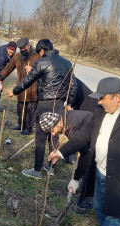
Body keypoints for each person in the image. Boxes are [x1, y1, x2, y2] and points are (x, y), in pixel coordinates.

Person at [48, 77, 120, 226]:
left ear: (117, 97)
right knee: (100, 207)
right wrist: (62, 151)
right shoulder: (101, 109)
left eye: (103, 98)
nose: (99, 101)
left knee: (115, 215)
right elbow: (84, 134)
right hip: (100, 171)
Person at [9, 39, 78, 179]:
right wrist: (69, 103)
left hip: (45, 104)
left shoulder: (42, 62)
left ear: (41, 51)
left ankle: (37, 170)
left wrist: (14, 91)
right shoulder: (67, 63)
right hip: (59, 104)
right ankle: (51, 168)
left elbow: (27, 81)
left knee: (40, 138)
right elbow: (74, 86)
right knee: (54, 136)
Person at [0, 37, 40, 135]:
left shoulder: (37, 55)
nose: (22, 50)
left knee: (30, 110)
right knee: (20, 109)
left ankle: (28, 128)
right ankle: (20, 125)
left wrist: (33, 69)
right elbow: (9, 67)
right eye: (21, 49)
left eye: (24, 48)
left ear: (28, 45)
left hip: (33, 89)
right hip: (21, 88)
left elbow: (43, 69)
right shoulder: (17, 56)